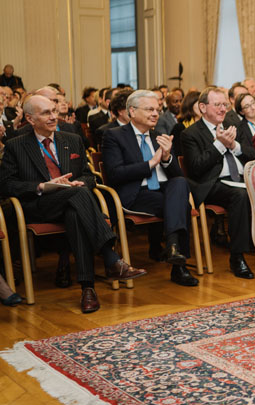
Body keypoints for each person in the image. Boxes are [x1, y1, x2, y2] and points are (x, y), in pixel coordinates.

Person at [0, 95, 146, 313]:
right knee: (78, 197)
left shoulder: (71, 139)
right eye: (46, 113)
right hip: (38, 206)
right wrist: (42, 186)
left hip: (73, 204)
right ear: (30, 119)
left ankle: (88, 290)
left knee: (75, 212)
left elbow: (90, 177)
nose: (53, 116)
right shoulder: (16, 146)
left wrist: (79, 183)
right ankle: (110, 257)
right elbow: (7, 185)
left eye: (54, 111)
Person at [102, 90, 198, 287]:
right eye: (149, 109)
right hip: (136, 194)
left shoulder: (158, 137)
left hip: (164, 190)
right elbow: (114, 174)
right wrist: (150, 163)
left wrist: (166, 158)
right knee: (183, 207)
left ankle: (172, 248)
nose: (155, 113)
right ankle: (178, 265)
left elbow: (177, 174)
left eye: (157, 109)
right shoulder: (114, 136)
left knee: (180, 182)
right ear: (132, 111)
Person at [181, 87, 255, 279]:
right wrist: (220, 145)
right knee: (240, 196)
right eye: (218, 105)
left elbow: (253, 155)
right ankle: (237, 256)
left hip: (241, 177)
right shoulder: (191, 134)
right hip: (213, 183)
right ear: (203, 107)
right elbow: (196, 168)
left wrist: (234, 146)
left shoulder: (233, 124)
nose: (223, 109)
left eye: (225, 105)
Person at [169, 90, 200, 157]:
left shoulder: (206, 126)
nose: (203, 106)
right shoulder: (179, 128)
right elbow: (177, 155)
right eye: (199, 103)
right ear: (191, 105)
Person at [233, 93, 255, 163]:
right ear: (241, 112)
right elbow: (246, 153)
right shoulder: (239, 129)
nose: (253, 107)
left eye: (253, 102)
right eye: (247, 106)